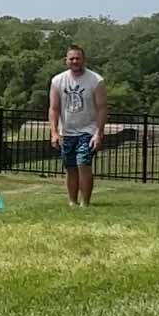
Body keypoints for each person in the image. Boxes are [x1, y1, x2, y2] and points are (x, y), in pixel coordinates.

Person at [50, 45, 106, 208]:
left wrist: (98, 133)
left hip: (87, 130)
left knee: (83, 163)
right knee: (70, 167)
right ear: (66, 60)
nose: (75, 61)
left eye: (78, 58)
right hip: (67, 131)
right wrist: (54, 132)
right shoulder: (58, 81)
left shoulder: (96, 80)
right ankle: (72, 201)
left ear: (84, 60)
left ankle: (85, 203)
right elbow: (53, 108)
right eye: (71, 58)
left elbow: (102, 108)